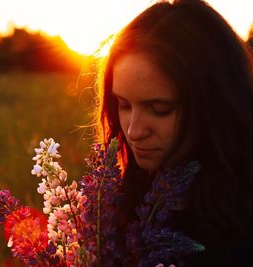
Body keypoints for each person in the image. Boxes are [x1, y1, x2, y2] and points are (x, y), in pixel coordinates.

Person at [95, 0, 253, 266]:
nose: (134, 130)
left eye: (159, 109)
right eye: (123, 105)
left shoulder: (243, 223)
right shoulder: (108, 207)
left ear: (215, 105)